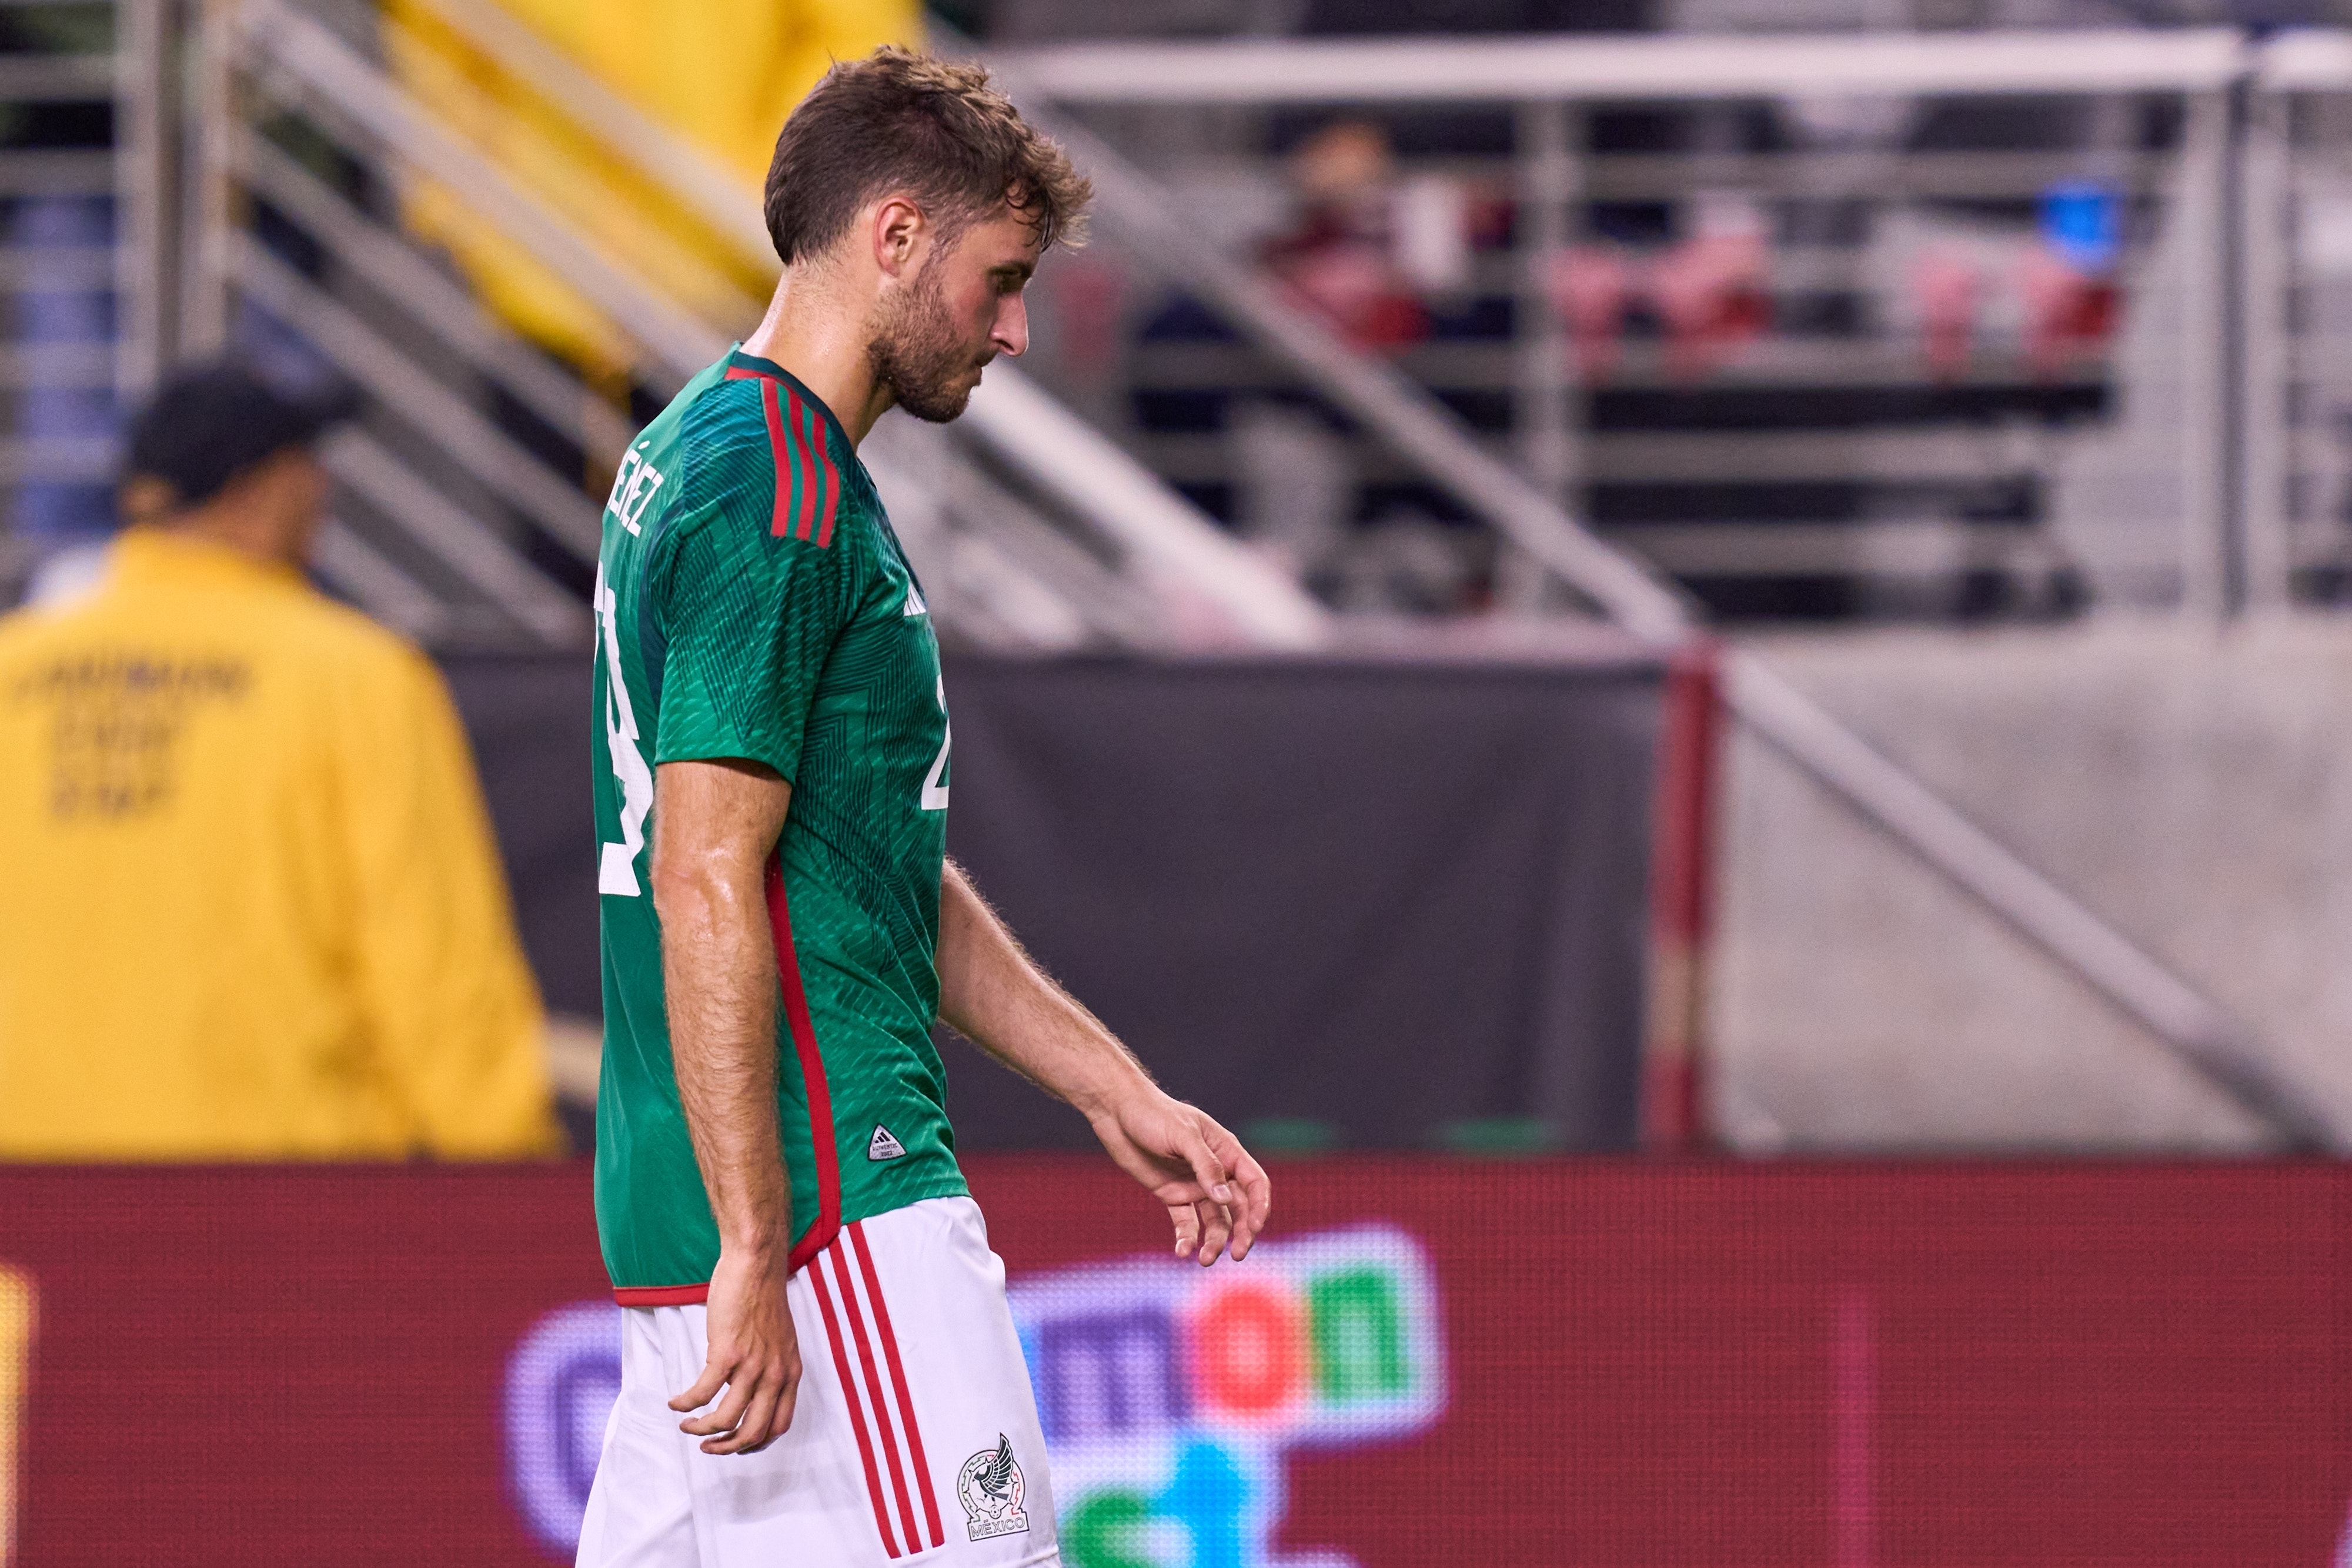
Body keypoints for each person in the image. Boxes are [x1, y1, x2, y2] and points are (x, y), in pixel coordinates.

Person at [582, 46, 1272, 1567]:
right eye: (1001, 277)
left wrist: (1110, 1088)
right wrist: (764, 1241)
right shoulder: (779, 494)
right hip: (836, 1223)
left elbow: (852, 859)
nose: (1019, 328)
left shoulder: (699, 447)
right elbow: (708, 875)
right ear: (894, 237)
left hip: (695, 1228)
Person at [0, 362, 560, 1159]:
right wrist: (513, 1176)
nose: (324, 489)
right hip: (277, 1227)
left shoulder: (12, 674)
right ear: (258, 493)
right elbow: (437, 981)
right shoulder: (355, 680)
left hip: (30, 1221)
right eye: (308, 462)